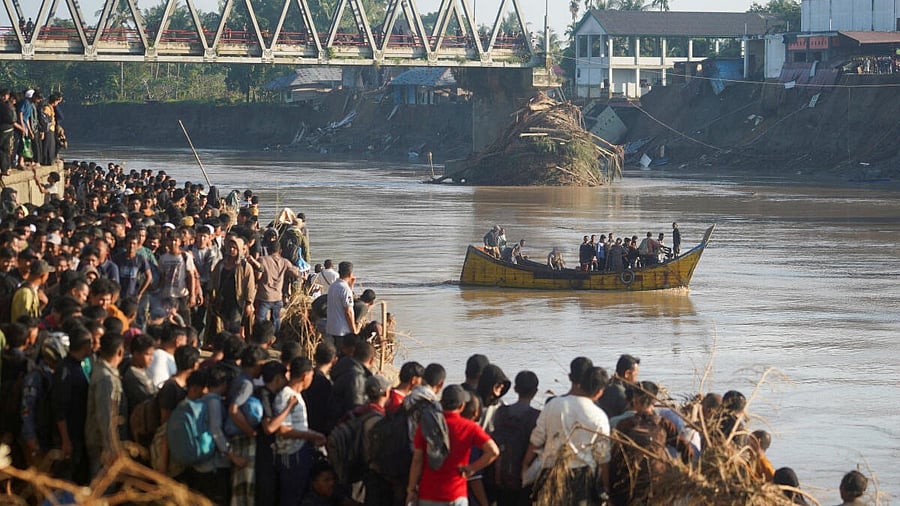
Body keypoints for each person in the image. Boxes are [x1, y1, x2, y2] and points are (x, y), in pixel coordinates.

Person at [524, 366, 611, 505]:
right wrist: (606, 488)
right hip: (582, 479)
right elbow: (603, 457)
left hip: (551, 473)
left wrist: (525, 465)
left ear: (580, 383)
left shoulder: (554, 404)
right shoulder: (599, 416)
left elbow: (536, 440)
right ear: (600, 392)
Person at [405, 385, 500, 506]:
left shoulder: (426, 426)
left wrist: (411, 489)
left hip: (428, 494)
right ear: (461, 406)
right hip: (456, 496)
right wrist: (472, 468)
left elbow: (417, 460)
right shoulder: (469, 427)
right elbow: (494, 451)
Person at [273, 357, 327, 505]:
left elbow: (297, 426)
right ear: (305, 376)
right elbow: (282, 428)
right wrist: (310, 435)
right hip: (290, 455)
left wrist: (312, 435)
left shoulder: (296, 395)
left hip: (299, 452)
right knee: (290, 497)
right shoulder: (286, 396)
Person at [491, 371, 540, 506]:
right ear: (535, 391)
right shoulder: (536, 416)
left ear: (515, 389)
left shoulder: (501, 412)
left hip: (501, 476)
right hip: (525, 478)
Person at [85, 333, 126, 477]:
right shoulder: (105, 378)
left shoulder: (105, 371)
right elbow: (105, 415)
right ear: (120, 351)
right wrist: (111, 447)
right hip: (101, 444)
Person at [209, 232, 256, 336]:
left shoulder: (245, 267)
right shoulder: (221, 264)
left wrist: (249, 303)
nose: (231, 250)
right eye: (230, 247)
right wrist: (210, 294)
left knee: (235, 327)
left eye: (234, 248)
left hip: (237, 301)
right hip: (222, 300)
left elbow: (250, 286)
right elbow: (213, 279)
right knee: (222, 326)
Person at [255, 238, 298, 335]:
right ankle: (275, 338)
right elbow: (295, 273)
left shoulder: (262, 260)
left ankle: (262, 337)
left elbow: (258, 276)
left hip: (264, 296)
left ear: (268, 250)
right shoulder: (285, 262)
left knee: (261, 320)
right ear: (280, 251)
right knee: (276, 320)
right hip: (278, 297)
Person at [325, 261, 357, 349]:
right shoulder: (345, 289)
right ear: (350, 274)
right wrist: (354, 330)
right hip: (342, 331)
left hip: (331, 328)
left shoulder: (333, 286)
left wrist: (351, 286)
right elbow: (348, 311)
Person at [597, 354, 640, 419]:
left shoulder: (606, 385)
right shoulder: (622, 393)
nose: (636, 379)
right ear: (627, 374)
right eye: (636, 375)